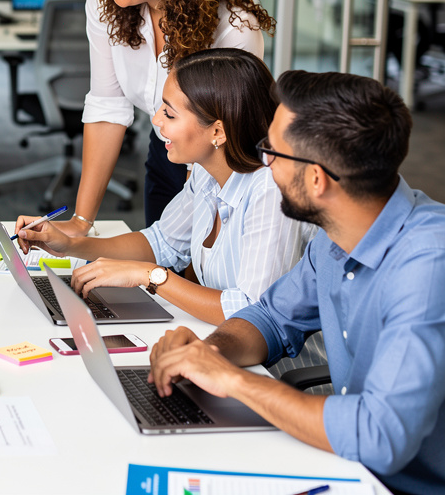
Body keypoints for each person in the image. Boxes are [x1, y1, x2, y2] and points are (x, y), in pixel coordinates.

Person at [149, 71, 445, 495]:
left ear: (317, 180)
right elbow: (271, 317)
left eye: (271, 152)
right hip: (346, 464)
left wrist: (233, 381)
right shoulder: (336, 232)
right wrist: (208, 353)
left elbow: (381, 437)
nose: (263, 163)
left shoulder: (428, 264)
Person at [17, 49, 317, 333]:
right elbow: (161, 242)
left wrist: (149, 276)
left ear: (217, 132)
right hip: (218, 338)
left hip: (271, 369)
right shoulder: (207, 170)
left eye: (170, 114)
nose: (156, 120)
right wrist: (69, 245)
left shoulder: (271, 190)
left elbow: (253, 310)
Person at [53, 0, 276, 233]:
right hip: (167, 144)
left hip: (222, 162)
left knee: (196, 272)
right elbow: (107, 107)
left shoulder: (233, 27)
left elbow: (220, 144)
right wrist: (82, 223)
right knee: (157, 258)